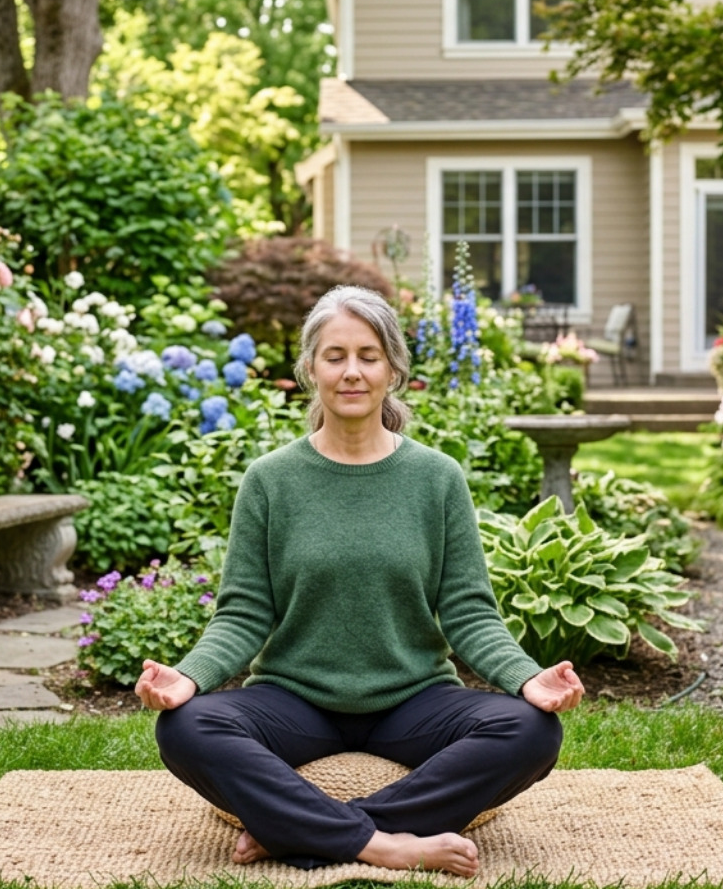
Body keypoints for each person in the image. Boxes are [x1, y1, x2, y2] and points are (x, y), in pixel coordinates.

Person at [136, 284, 585, 876]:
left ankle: (300, 832)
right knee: (186, 726)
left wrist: (527, 679)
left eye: (368, 356)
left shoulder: (436, 478)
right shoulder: (270, 481)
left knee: (531, 731)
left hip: (414, 700)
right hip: (293, 700)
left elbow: (469, 611)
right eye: (335, 356)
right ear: (310, 369)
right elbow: (243, 614)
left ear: (393, 369)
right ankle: (385, 844)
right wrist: (189, 676)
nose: (352, 372)